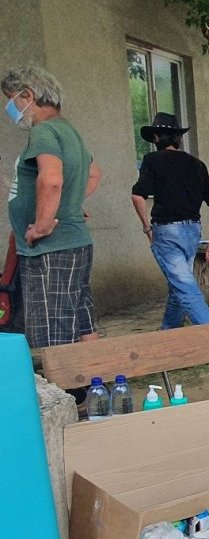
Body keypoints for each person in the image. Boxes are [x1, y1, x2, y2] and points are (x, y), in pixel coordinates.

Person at [2, 65, 102, 350]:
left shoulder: (44, 132)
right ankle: (94, 382)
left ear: (28, 95)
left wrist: (43, 223)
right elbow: (94, 173)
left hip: (50, 248)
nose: (11, 109)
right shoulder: (68, 131)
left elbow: (52, 178)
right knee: (81, 318)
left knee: (52, 329)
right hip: (74, 244)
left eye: (12, 101)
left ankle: (63, 392)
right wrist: (70, 203)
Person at [131, 112, 209, 329]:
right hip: (192, 231)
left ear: (156, 138)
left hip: (166, 231)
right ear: (177, 139)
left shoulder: (152, 161)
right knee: (178, 285)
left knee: (184, 287)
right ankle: (168, 333)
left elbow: (137, 196)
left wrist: (147, 228)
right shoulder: (197, 164)